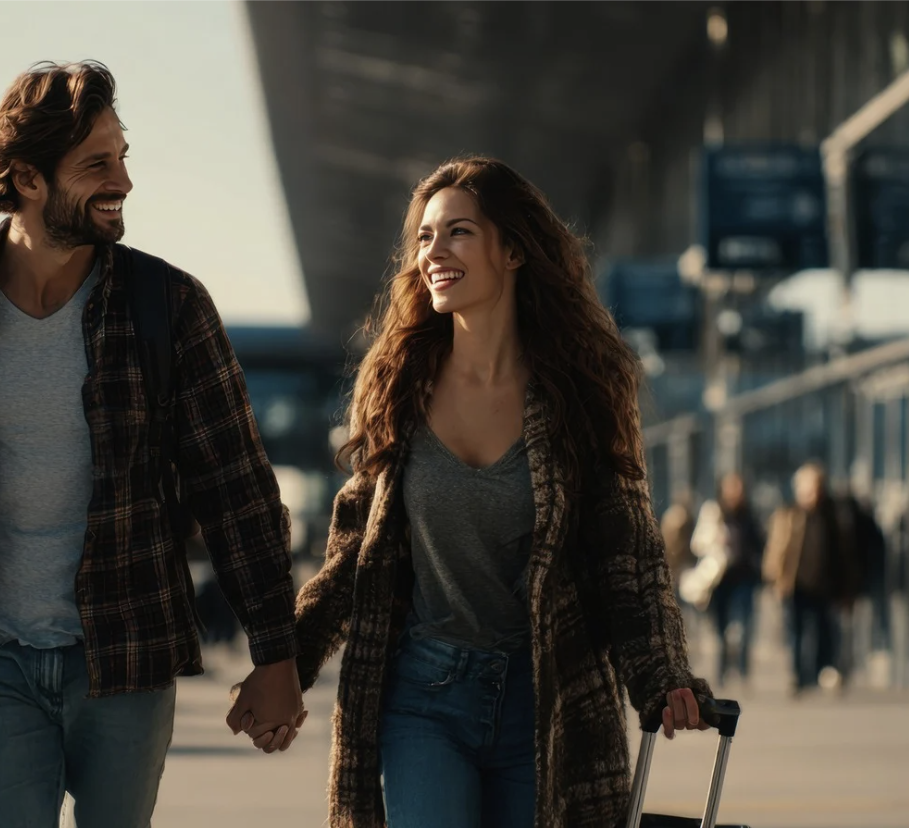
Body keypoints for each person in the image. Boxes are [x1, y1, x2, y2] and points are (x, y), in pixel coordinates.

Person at [0, 60, 304, 828]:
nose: (124, 180)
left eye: (124, 156)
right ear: (27, 179)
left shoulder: (166, 306)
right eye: (97, 163)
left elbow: (236, 490)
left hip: (126, 654)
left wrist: (275, 653)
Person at [282, 157, 711, 828]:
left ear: (512, 249)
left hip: (548, 702)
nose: (433, 253)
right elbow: (351, 557)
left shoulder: (580, 393)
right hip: (422, 699)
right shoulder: (398, 386)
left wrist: (664, 676)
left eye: (458, 233)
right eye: (424, 237)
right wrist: (286, 662)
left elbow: (628, 555)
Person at [763, 462, 864, 695]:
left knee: (823, 631)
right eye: (807, 488)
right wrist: (775, 577)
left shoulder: (834, 516)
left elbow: (845, 554)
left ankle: (820, 670)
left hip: (825, 585)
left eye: (816, 487)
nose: (812, 493)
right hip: (795, 584)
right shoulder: (788, 514)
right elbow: (777, 548)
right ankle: (799, 675)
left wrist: (848, 587)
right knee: (796, 631)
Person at [690, 472, 765, 686]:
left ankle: (742, 671)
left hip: (744, 578)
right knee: (721, 628)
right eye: (731, 487)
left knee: (744, 626)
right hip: (719, 580)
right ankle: (722, 670)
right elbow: (697, 544)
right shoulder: (712, 512)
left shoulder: (749, 515)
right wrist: (716, 538)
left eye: (738, 488)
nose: (735, 492)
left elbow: (760, 543)